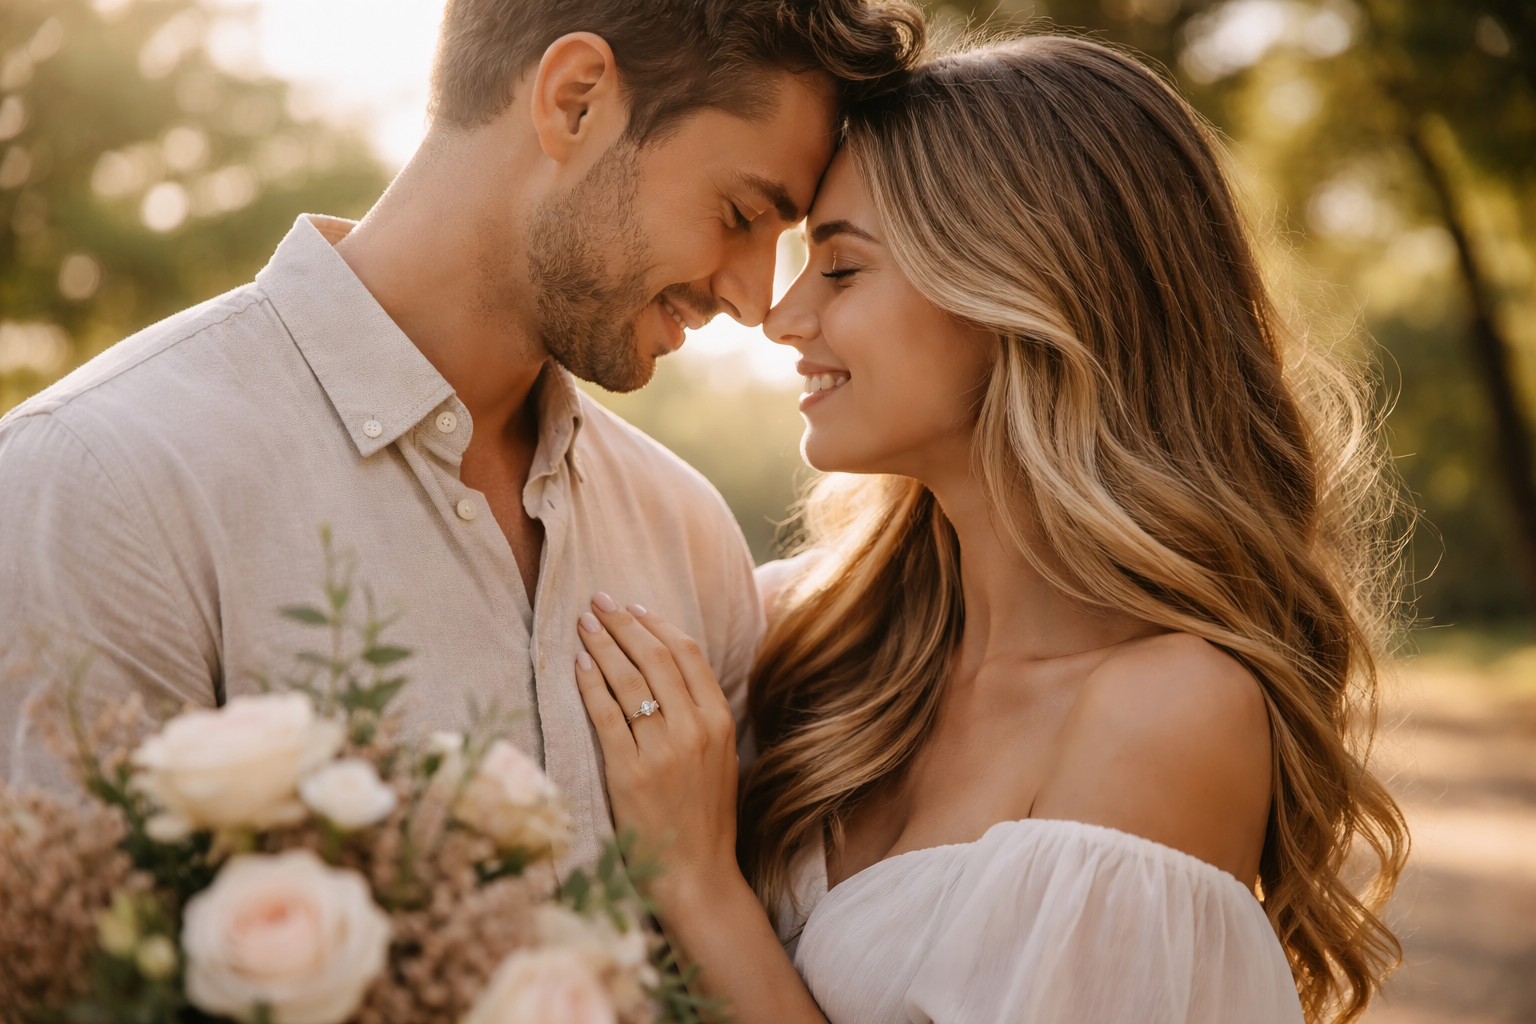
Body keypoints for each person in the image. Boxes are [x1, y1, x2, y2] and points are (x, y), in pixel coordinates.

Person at [571, 36, 1410, 1023]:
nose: (782, 315)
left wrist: (702, 886)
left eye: (841, 268)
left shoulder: (1169, 715)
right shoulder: (804, 630)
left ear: (1021, 294)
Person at [0, 0, 925, 868]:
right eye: (740, 215)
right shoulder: (100, 484)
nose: (755, 299)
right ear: (576, 101)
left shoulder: (689, 538)